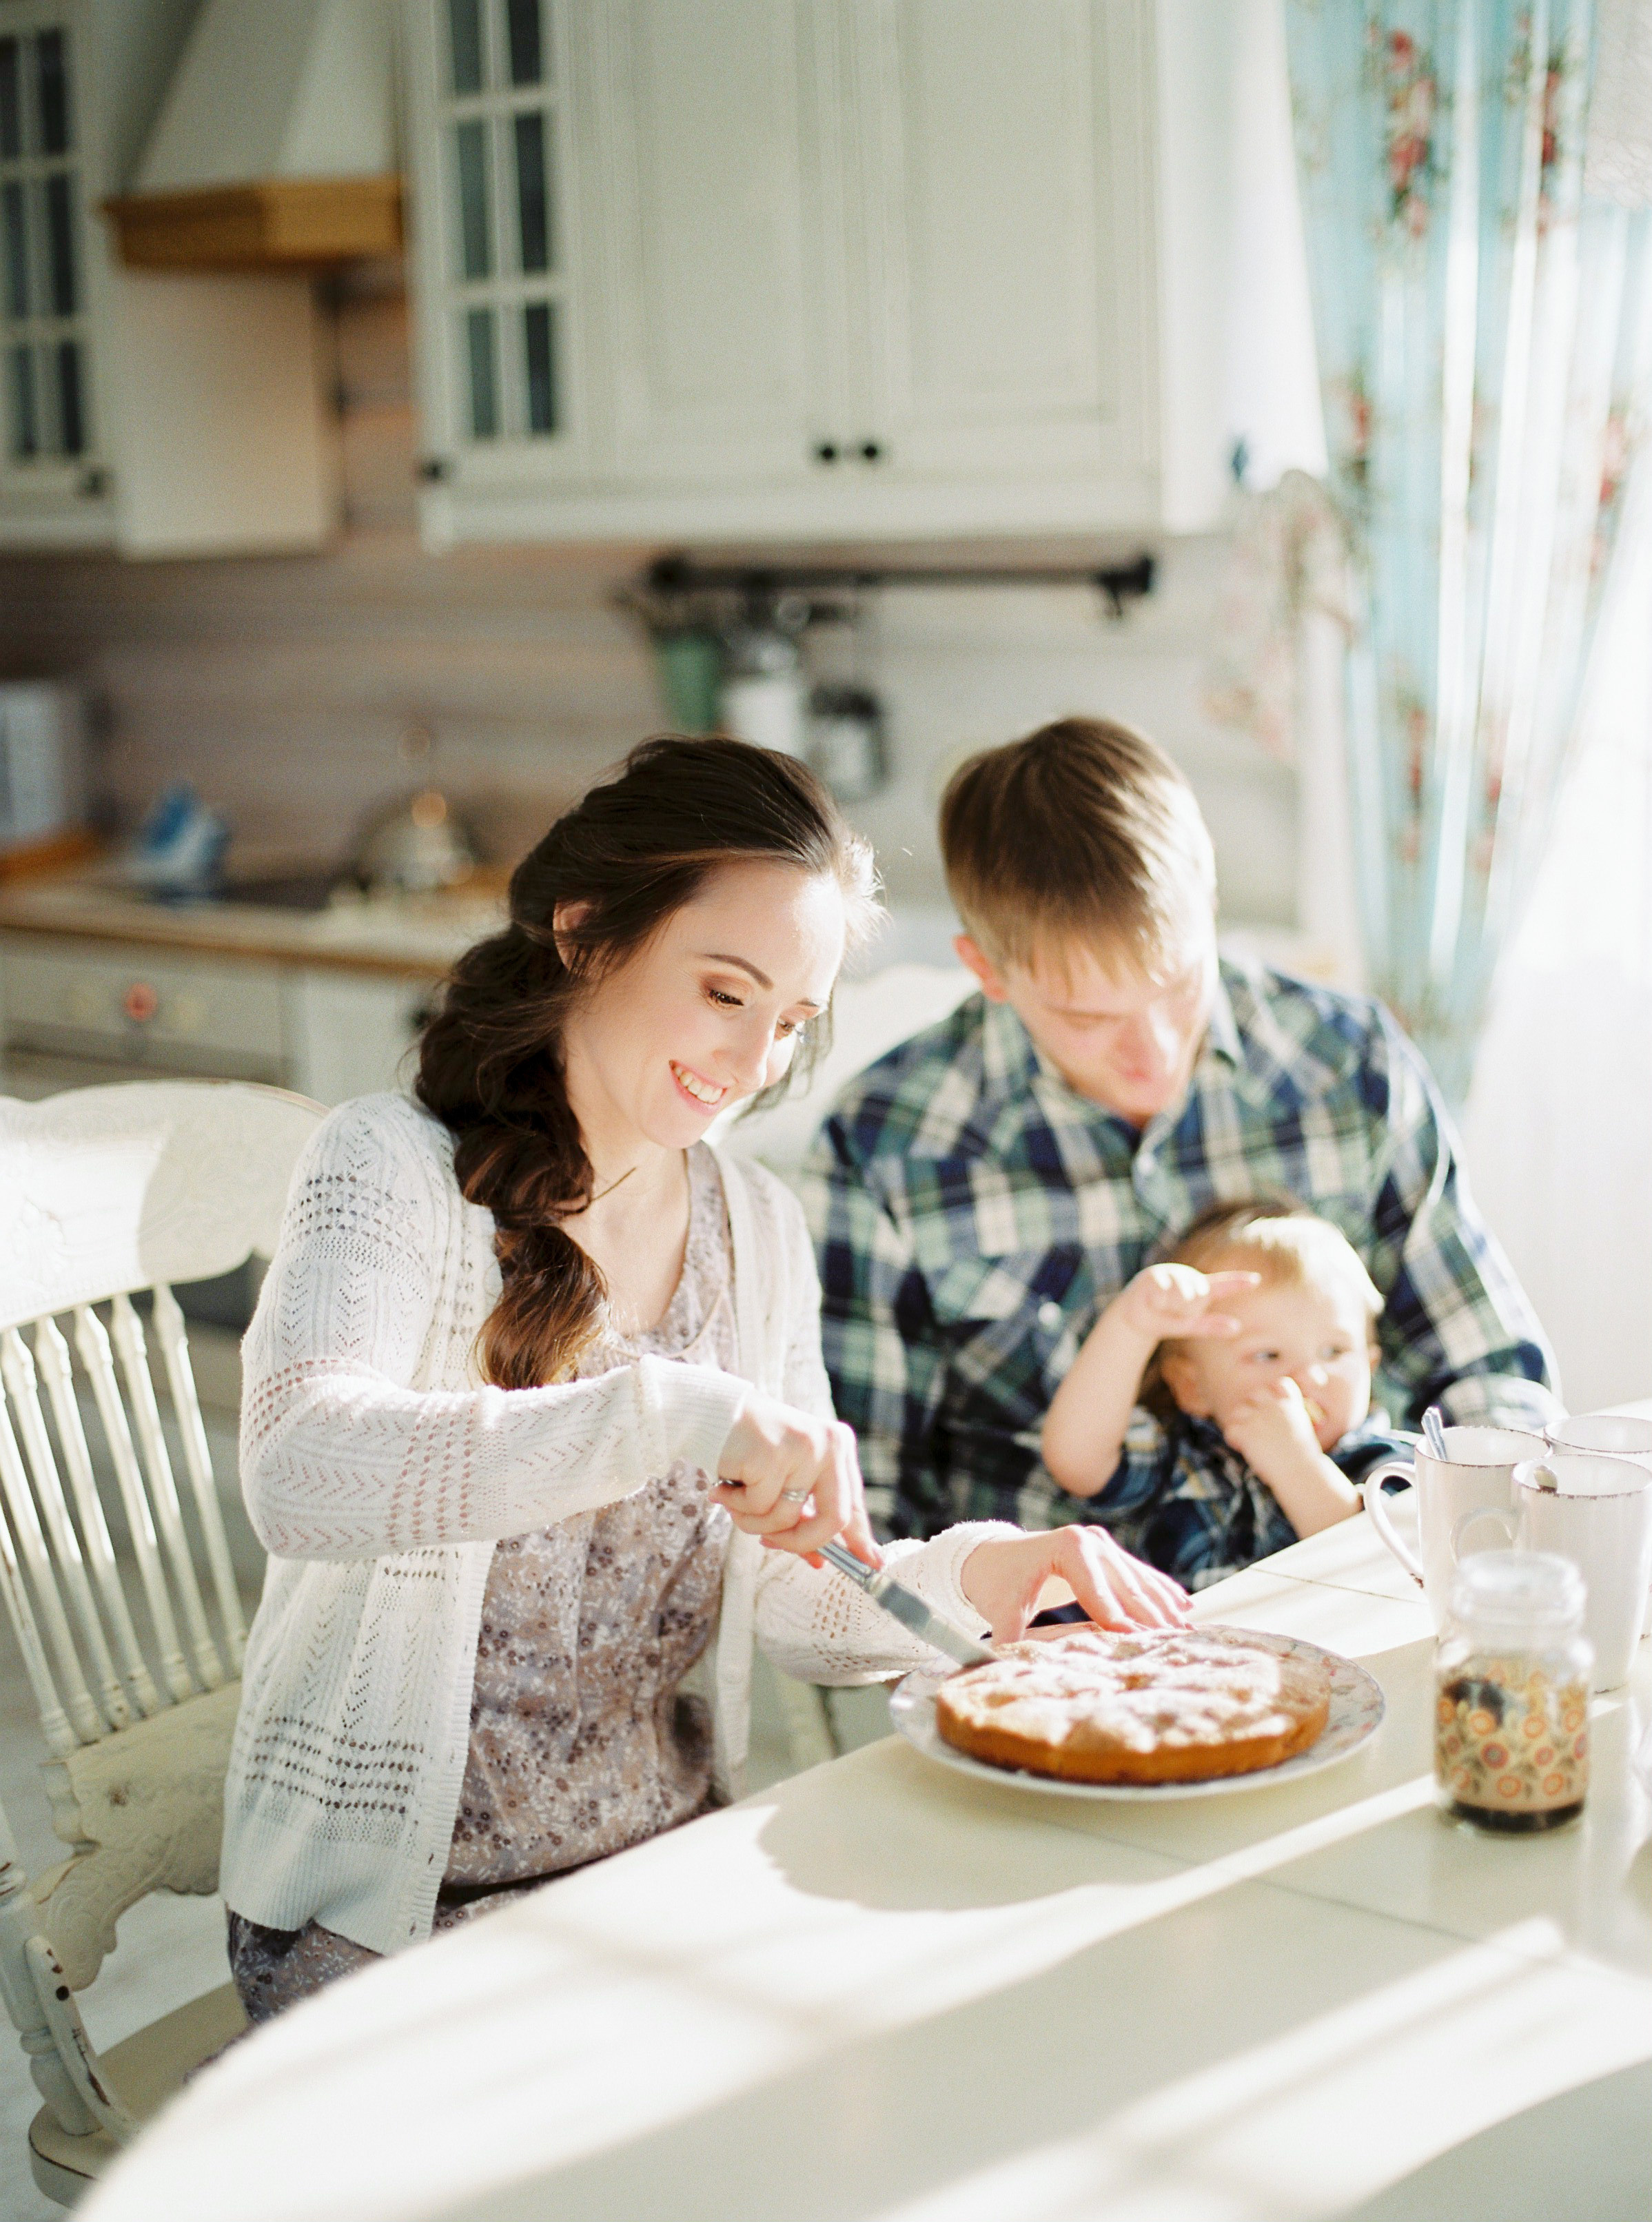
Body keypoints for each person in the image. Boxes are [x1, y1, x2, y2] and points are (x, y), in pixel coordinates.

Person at [220, 736, 1187, 2023]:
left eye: (789, 1020)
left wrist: (981, 1570)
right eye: (725, 992)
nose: (753, 1060)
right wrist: (670, 1408)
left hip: (660, 1882)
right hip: (397, 1930)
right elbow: (299, 1472)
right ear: (586, 932)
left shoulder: (757, 1226)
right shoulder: (391, 1168)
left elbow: (799, 1591)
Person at [806, 716, 1559, 1543]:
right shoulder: (888, 1143)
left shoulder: (1349, 1065)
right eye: (1089, 1016)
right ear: (987, 967)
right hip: (1053, 1648)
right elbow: (862, 1513)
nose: (1154, 1052)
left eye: (1176, 986)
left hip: (1354, 1588)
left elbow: (1488, 1374)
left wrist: (1477, 1552)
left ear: (1209, 905)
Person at [1041, 1198, 1416, 1588]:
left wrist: (1295, 1463)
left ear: (1370, 1366)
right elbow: (1075, 1463)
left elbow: (1388, 1571)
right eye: (1267, 1355)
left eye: (1334, 1352)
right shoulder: (1179, 1455)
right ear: (1192, 1387)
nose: (1311, 1377)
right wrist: (1130, 1326)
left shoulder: (1389, 1464)